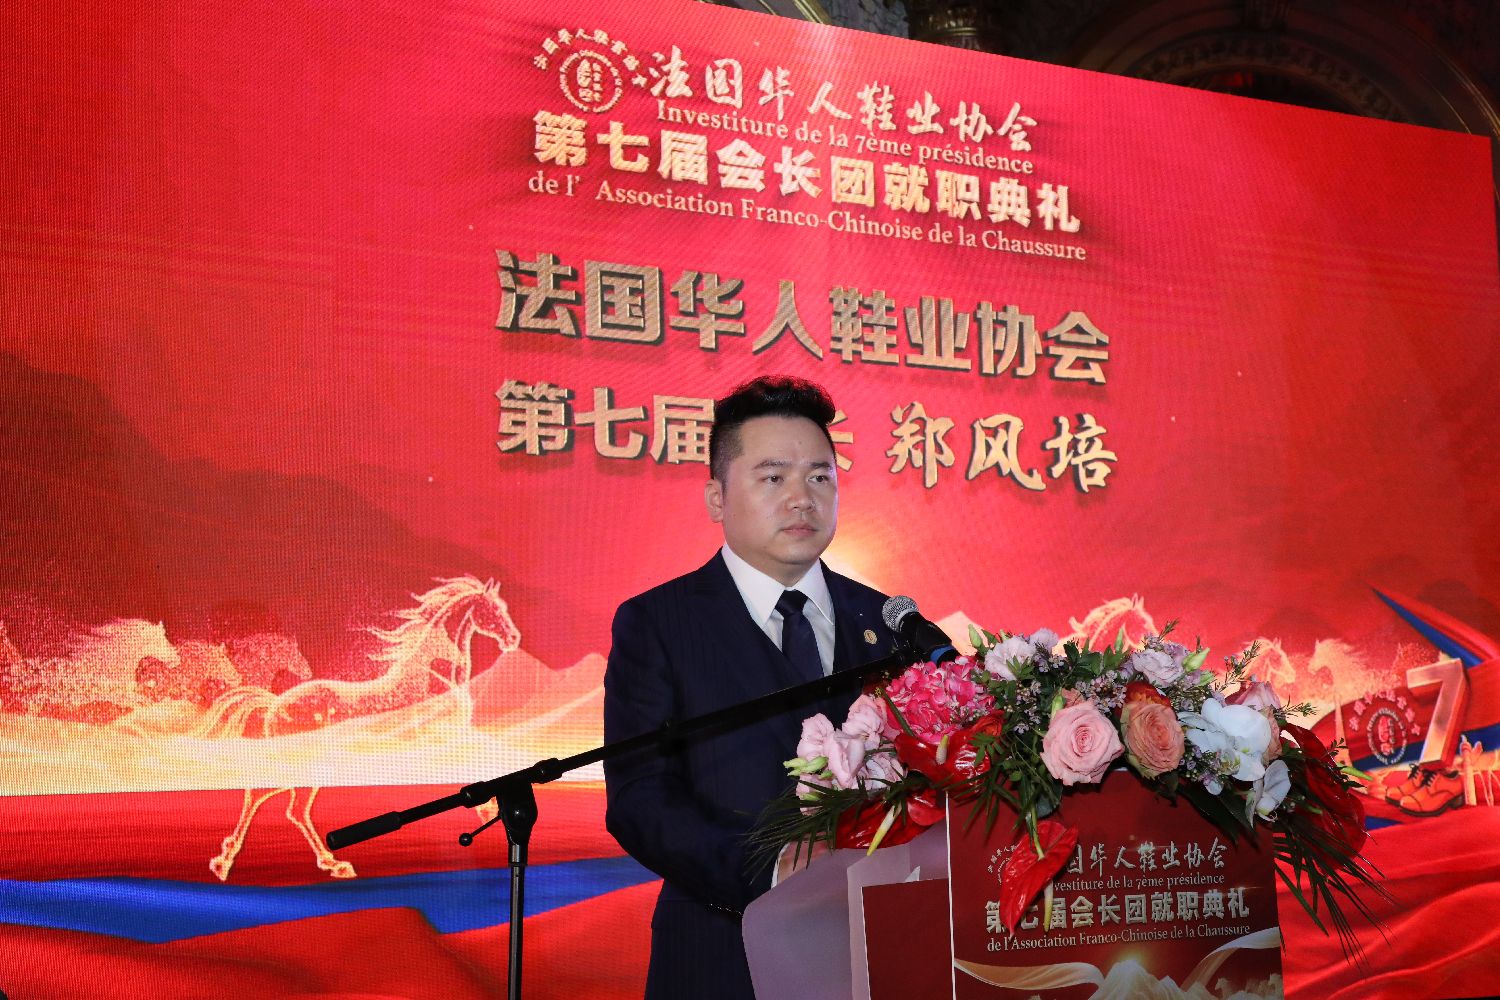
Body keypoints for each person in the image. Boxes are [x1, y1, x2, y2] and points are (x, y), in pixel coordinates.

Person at [603, 375, 897, 1000]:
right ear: (717, 497)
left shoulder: (887, 621)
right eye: (773, 477)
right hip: (720, 949)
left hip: (877, 950)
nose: (802, 499)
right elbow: (639, 797)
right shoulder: (660, 623)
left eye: (820, 477)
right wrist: (769, 870)